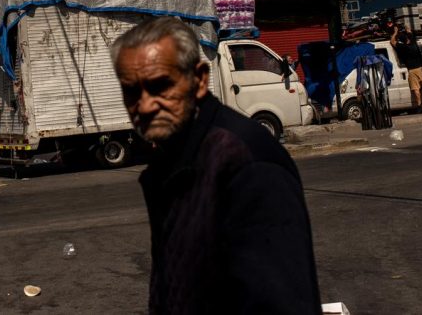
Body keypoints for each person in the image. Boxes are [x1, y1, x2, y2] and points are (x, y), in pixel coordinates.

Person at [111, 16, 321, 313]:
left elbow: (281, 301)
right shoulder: (172, 158)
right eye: (132, 91)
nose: (144, 105)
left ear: (199, 80)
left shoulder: (245, 161)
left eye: (161, 86)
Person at [391, 25, 422, 111]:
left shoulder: (402, 47)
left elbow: (392, 42)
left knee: (416, 89)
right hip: (421, 68)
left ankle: (419, 104)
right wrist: (406, 27)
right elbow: (409, 31)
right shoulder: (414, 43)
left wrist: (395, 32)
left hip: (412, 70)